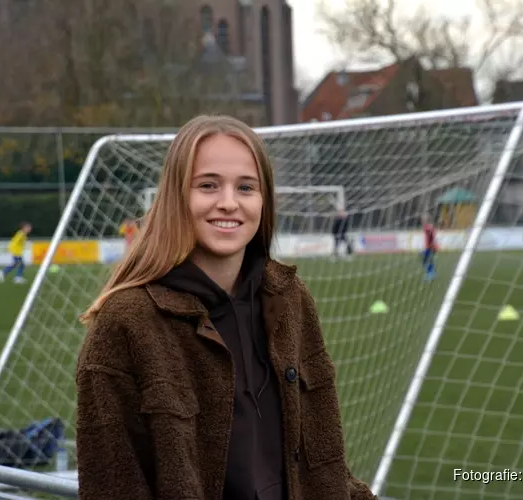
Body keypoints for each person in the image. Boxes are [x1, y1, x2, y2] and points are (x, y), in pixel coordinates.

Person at [75, 115, 377, 500]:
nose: (229, 203)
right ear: (176, 197)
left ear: (263, 200)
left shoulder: (290, 298)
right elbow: (113, 486)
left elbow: (324, 460)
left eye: (246, 187)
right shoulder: (127, 322)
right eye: (208, 185)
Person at [421, 213, 438, 280]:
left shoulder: (427, 227)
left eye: (423, 219)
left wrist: (430, 246)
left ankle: (430, 274)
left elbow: (431, 237)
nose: (422, 220)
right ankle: (432, 273)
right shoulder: (430, 226)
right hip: (431, 246)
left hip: (431, 247)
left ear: (426, 220)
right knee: (428, 260)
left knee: (425, 261)